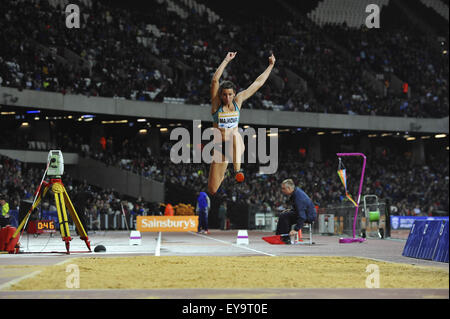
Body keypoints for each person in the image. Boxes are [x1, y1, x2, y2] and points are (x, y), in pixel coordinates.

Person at [207, 51, 276, 196]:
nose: (227, 97)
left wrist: (270, 66)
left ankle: (237, 170)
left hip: (236, 145)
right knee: (212, 189)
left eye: (230, 94)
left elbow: (257, 83)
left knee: (235, 134)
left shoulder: (238, 100)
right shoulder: (216, 106)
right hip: (220, 149)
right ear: (221, 95)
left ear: (234, 94)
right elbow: (214, 81)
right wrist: (226, 60)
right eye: (224, 94)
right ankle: (228, 172)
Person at [276, 179, 316, 244]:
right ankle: (280, 236)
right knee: (284, 214)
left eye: (283, 189)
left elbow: (302, 216)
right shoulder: (295, 193)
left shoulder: (298, 197)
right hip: (306, 213)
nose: (282, 190)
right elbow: (300, 209)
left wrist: (296, 229)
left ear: (289, 188)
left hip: (308, 216)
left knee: (285, 216)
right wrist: (291, 210)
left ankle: (284, 238)